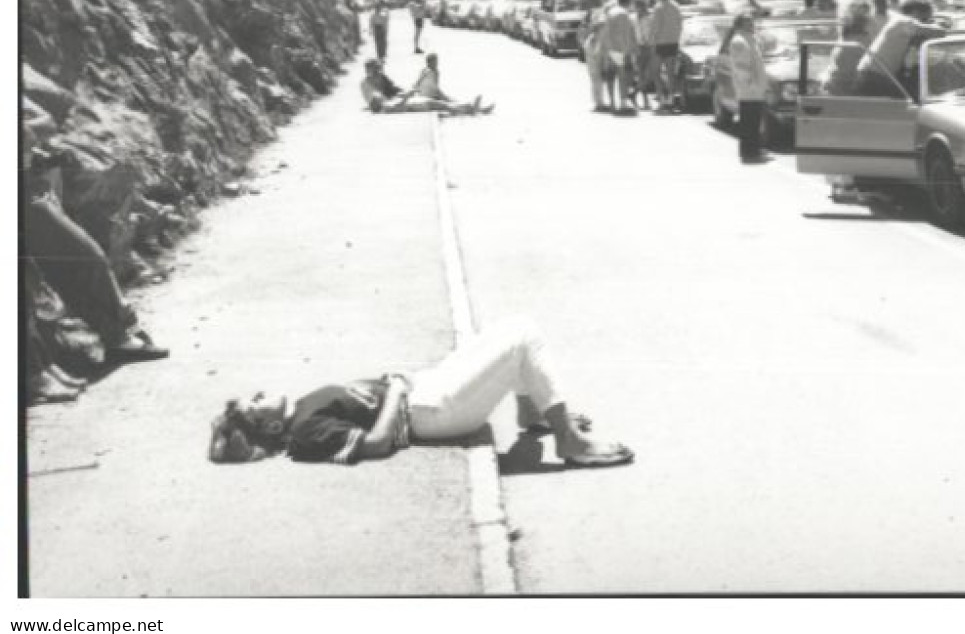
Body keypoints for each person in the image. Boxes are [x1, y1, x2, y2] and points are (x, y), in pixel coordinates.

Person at [208, 318, 633, 468]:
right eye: (256, 400)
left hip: (424, 392)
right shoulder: (304, 432)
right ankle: (568, 440)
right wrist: (394, 389)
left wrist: (400, 383)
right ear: (265, 424)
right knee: (523, 336)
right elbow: (375, 446)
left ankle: (534, 413)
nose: (262, 393)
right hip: (429, 413)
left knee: (510, 332)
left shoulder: (302, 412)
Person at [22, 125, 168, 382]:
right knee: (86, 258)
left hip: (32, 185)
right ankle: (118, 337)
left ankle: (118, 334)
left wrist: (36, 157)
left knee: (69, 269)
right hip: (24, 195)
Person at [856, 0, 930, 95]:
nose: (925, 22)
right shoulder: (904, 22)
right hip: (875, 74)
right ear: (915, 12)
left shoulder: (900, 23)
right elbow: (935, 32)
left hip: (877, 73)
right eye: (925, 19)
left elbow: (911, 58)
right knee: (907, 100)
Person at [363, 58, 484, 116]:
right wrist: (407, 96)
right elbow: (398, 107)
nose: (379, 71)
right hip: (415, 104)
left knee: (444, 105)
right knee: (444, 105)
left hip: (415, 102)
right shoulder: (385, 106)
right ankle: (470, 108)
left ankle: (470, 108)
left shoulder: (383, 103)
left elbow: (393, 91)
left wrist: (405, 94)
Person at [727, 12, 772, 163]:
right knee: (749, 122)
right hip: (749, 90)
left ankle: (753, 150)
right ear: (739, 24)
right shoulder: (739, 41)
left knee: (754, 122)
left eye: (752, 22)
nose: (752, 24)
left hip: (754, 89)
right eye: (747, 22)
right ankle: (749, 153)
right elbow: (741, 67)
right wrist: (751, 85)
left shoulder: (749, 39)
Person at [410, 53, 494, 114]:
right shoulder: (427, 71)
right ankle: (478, 109)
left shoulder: (433, 71)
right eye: (435, 61)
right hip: (429, 97)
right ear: (429, 62)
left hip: (433, 95)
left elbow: (432, 86)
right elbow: (419, 83)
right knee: (452, 103)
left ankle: (480, 109)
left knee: (453, 102)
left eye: (437, 61)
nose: (437, 63)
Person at [598, 0, 639, 113]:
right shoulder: (622, 14)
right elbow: (623, 35)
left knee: (611, 76)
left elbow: (606, 32)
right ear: (628, 1)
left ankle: (612, 103)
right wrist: (628, 50)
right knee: (622, 77)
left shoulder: (611, 12)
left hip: (610, 48)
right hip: (619, 50)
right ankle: (623, 104)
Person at [650, 0, 686, 112]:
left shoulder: (659, 7)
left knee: (655, 71)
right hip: (673, 43)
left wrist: (652, 42)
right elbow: (680, 25)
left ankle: (662, 99)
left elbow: (655, 27)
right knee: (670, 74)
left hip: (660, 43)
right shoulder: (676, 6)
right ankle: (671, 99)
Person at [632, 0, 655, 110]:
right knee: (641, 74)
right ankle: (645, 100)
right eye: (638, 7)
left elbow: (654, 31)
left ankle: (634, 94)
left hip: (650, 47)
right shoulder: (633, 18)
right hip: (639, 48)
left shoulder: (651, 17)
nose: (640, 9)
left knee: (648, 75)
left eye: (642, 6)